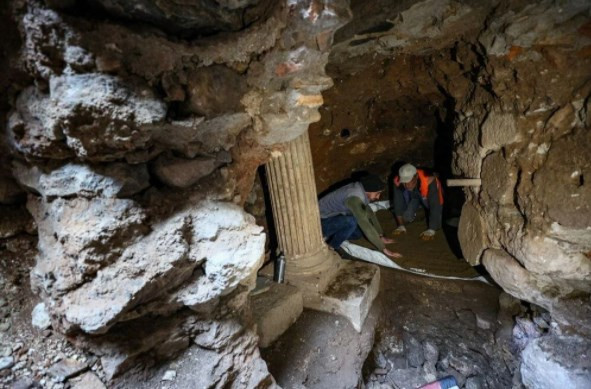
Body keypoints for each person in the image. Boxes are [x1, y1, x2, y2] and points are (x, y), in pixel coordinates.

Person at [319, 174, 401, 258]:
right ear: (369, 191)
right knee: (352, 222)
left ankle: (333, 237)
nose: (378, 197)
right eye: (377, 193)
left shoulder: (362, 191)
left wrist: (381, 235)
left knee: (358, 233)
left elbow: (370, 213)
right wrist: (383, 249)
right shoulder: (354, 198)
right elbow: (364, 223)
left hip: (331, 219)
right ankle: (332, 247)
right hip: (317, 224)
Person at [392, 163, 444, 240]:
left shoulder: (430, 180)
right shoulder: (397, 181)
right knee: (407, 217)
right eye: (404, 182)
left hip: (430, 195)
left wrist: (432, 229)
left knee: (437, 220)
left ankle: (430, 217)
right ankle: (419, 210)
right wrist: (401, 225)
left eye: (409, 181)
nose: (407, 185)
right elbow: (398, 203)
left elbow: (435, 205)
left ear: (416, 176)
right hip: (414, 195)